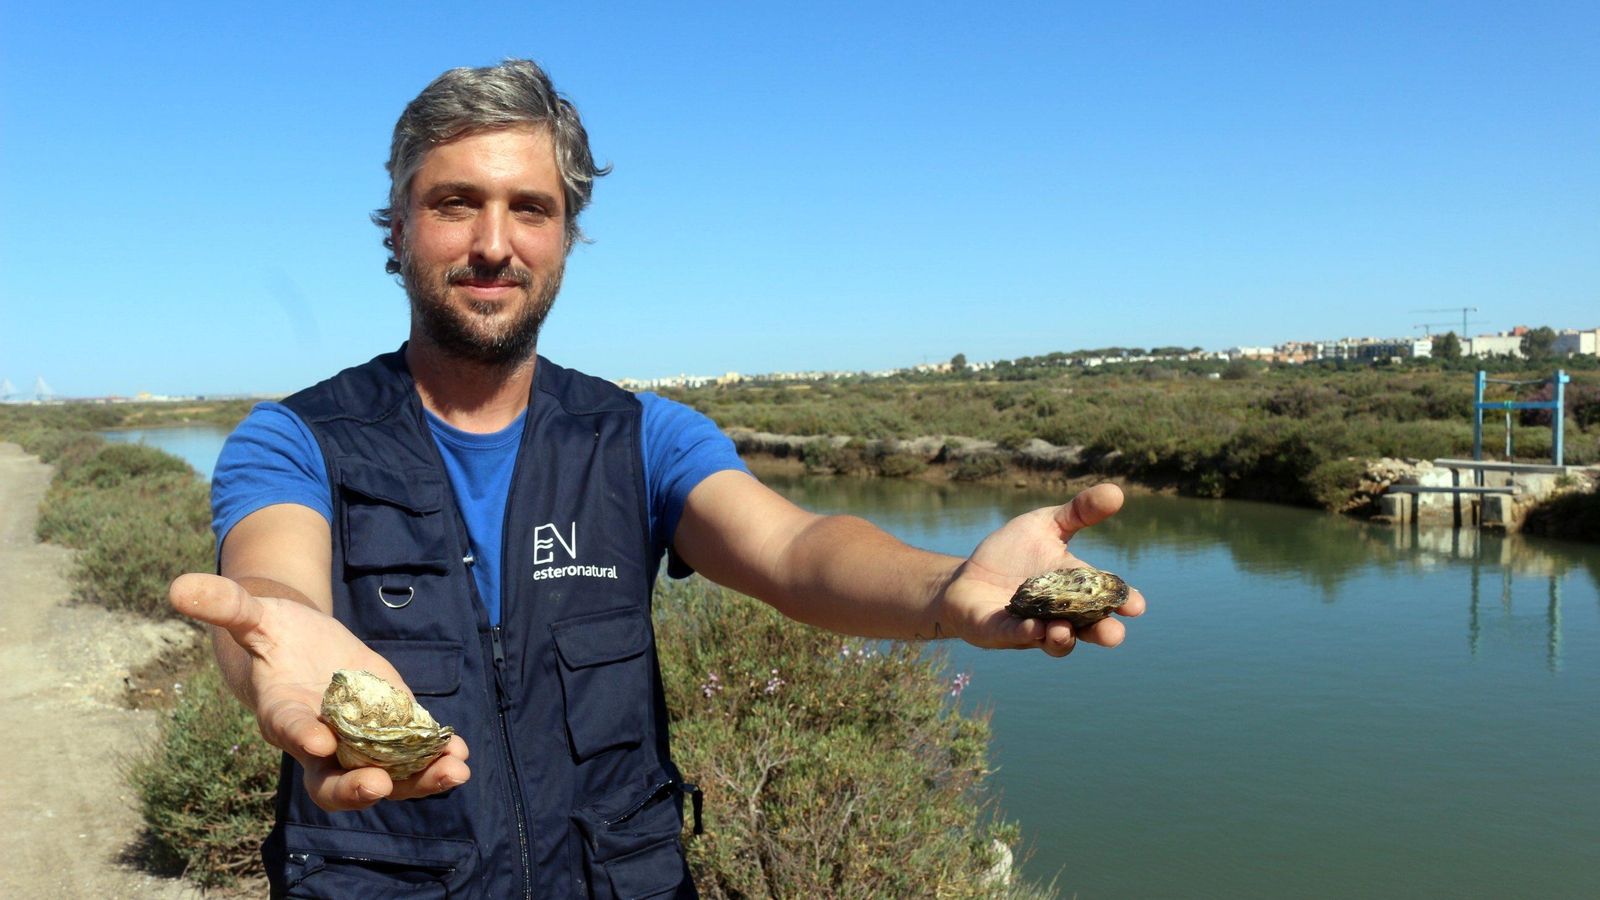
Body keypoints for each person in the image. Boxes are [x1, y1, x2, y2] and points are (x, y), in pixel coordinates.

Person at [168, 58, 1145, 899]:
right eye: (455, 202)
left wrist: (947, 588)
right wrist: (269, 645)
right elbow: (272, 584)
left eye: (530, 208)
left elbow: (796, 549)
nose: (494, 243)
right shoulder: (295, 440)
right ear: (396, 227)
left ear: (566, 237)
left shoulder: (641, 437)